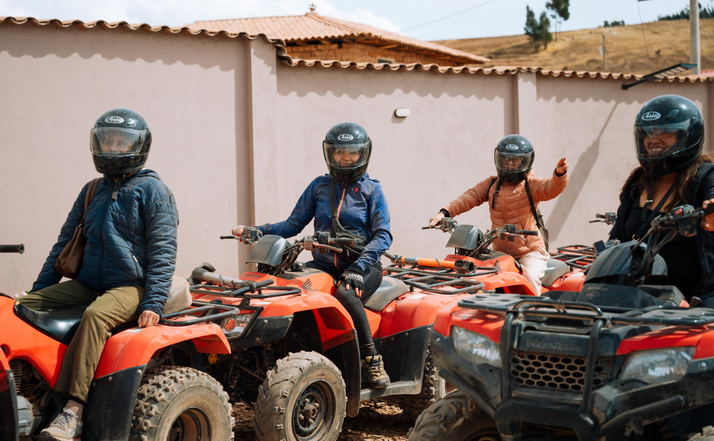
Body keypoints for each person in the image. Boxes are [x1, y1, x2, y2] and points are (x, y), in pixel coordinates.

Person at [18, 109, 179, 441]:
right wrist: (38, 293)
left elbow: (164, 250)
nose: (114, 148)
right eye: (109, 141)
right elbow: (64, 243)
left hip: (131, 286)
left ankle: (72, 410)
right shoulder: (93, 189)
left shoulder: (153, 190)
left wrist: (153, 302)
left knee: (95, 317)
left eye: (122, 142)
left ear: (138, 146)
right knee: (18, 307)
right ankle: (28, 389)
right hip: (88, 282)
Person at [232, 121, 392, 389]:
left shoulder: (371, 190)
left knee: (346, 293)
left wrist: (359, 267)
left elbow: (383, 235)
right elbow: (292, 225)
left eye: (351, 152)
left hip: (362, 265)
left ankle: (371, 358)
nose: (345, 157)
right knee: (291, 288)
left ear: (362, 154)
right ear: (330, 153)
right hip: (323, 263)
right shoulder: (319, 187)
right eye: (339, 151)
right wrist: (257, 230)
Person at [608, 94, 714, 306]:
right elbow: (617, 237)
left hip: (696, 297)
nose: (653, 138)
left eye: (667, 132)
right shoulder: (637, 182)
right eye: (648, 132)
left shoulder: (705, 176)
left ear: (688, 136)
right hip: (639, 295)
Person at [429, 134, 568, 294]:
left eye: (515, 161)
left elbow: (551, 188)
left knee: (529, 279)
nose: (510, 164)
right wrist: (444, 213)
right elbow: (469, 197)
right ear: (499, 160)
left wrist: (559, 174)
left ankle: (531, 314)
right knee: (480, 278)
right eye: (506, 160)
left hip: (529, 251)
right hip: (500, 251)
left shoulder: (530, 185)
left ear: (525, 161)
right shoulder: (492, 184)